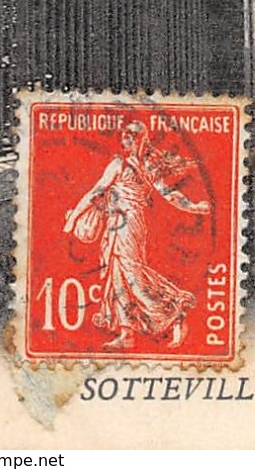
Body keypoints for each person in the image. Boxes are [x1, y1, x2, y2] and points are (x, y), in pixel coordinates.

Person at [63, 119, 210, 349]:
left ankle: (175, 314)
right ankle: (126, 334)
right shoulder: (121, 163)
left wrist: (193, 207)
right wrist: (73, 218)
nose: (127, 137)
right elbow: (96, 191)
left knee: (134, 277)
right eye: (125, 134)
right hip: (116, 224)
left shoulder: (141, 166)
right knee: (117, 276)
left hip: (130, 224)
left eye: (132, 134)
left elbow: (169, 193)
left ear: (141, 139)